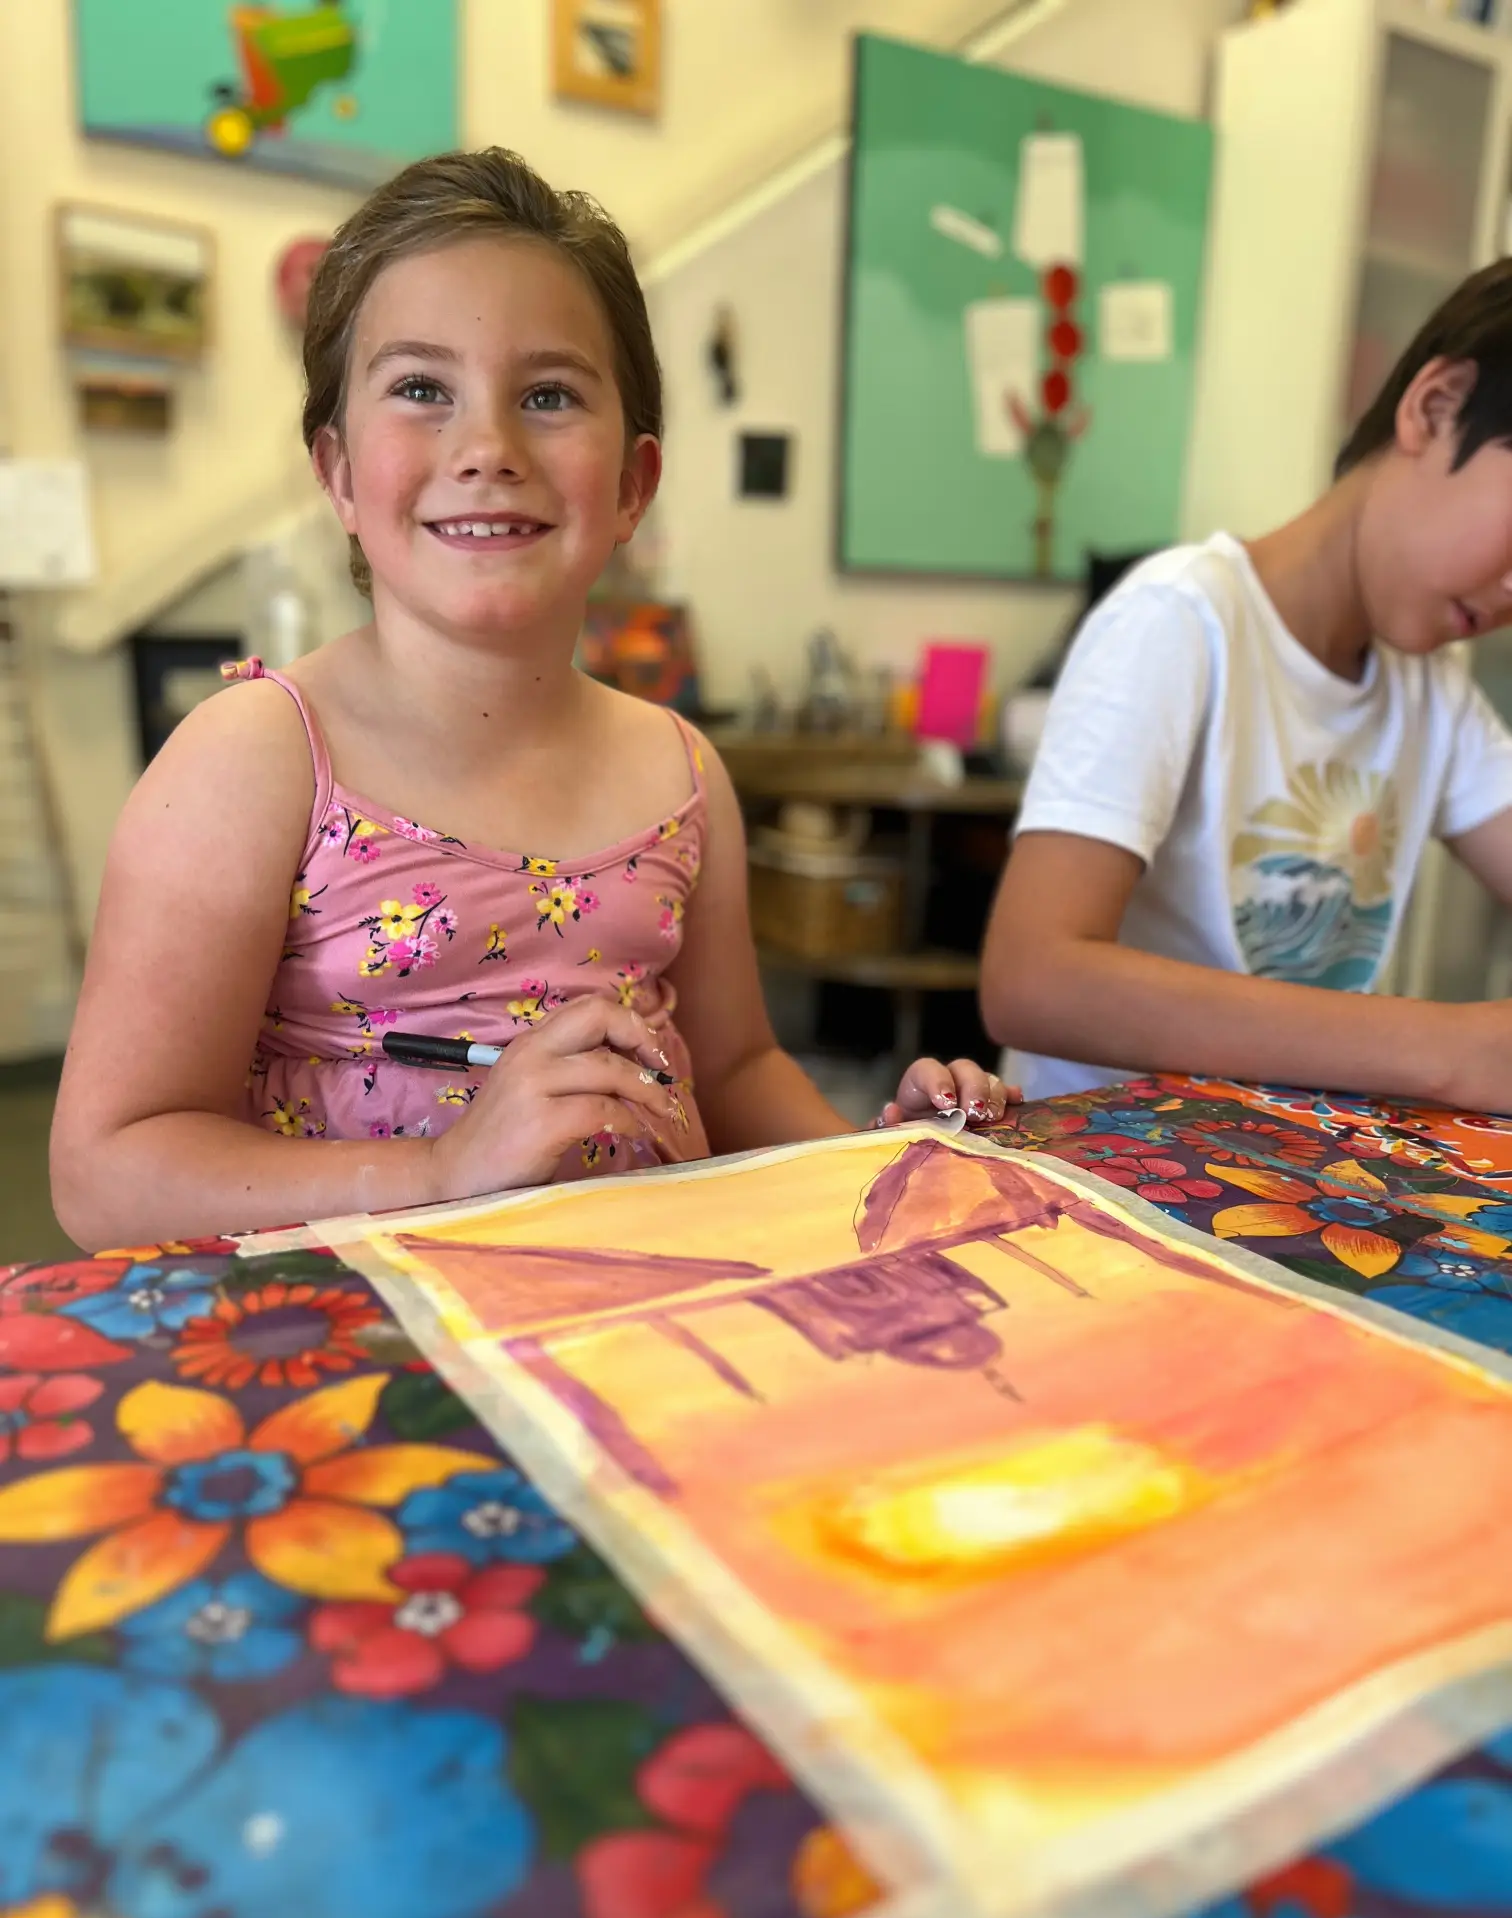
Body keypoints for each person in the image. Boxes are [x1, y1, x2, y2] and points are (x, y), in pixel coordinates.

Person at [53, 149, 1008, 1249]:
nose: (489, 449)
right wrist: (443, 1167)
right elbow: (106, 1172)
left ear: (632, 485)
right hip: (371, 1359)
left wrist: (885, 1155)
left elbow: (739, 1070)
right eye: (421, 390)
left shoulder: (684, 769)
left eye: (548, 395)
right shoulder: (255, 759)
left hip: (659, 1326)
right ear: (339, 475)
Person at [981, 259, 1512, 1109]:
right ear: (1436, 406)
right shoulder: (1183, 620)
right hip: (1098, 1183)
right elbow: (1033, 977)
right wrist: (1446, 1047)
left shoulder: (1432, 698)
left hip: (1279, 1184)